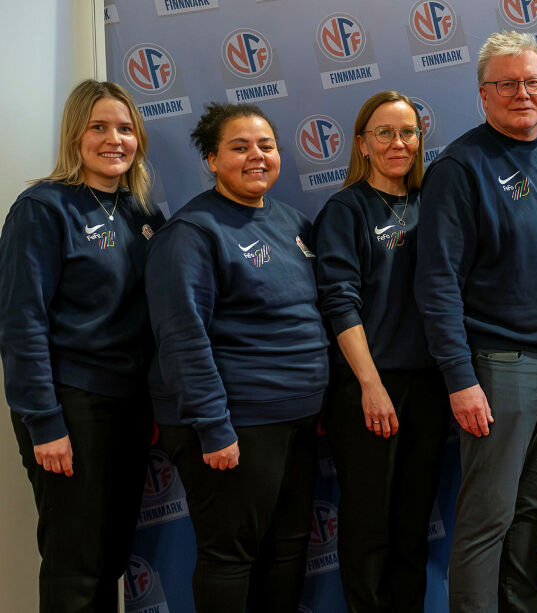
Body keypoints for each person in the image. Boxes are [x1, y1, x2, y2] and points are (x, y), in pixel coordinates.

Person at [414, 30, 537, 613]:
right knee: (488, 516)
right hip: (499, 367)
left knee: (532, 504)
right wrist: (461, 379)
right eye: (508, 84)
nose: (523, 93)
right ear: (483, 93)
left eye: (533, 82)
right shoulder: (459, 168)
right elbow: (436, 283)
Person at [144, 102, 329, 613]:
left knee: (290, 548)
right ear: (211, 159)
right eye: (240, 146)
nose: (256, 156)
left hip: (296, 420)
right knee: (231, 556)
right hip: (235, 423)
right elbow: (182, 337)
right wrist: (214, 426)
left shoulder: (293, 222)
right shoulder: (191, 234)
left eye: (266, 145)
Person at [0, 79, 164, 612]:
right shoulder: (43, 208)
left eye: (125, 128)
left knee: (111, 559)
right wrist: (44, 421)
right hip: (70, 406)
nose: (114, 139)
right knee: (76, 564)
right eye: (98, 127)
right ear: (75, 136)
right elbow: (21, 322)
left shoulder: (144, 215)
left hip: (129, 406)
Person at [314, 91, 449, 613]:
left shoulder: (433, 204)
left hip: (429, 387)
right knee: (370, 525)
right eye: (385, 133)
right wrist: (371, 385)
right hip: (370, 386)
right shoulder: (345, 210)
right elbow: (339, 303)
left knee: (412, 525)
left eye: (409, 133)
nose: (399, 143)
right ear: (362, 144)